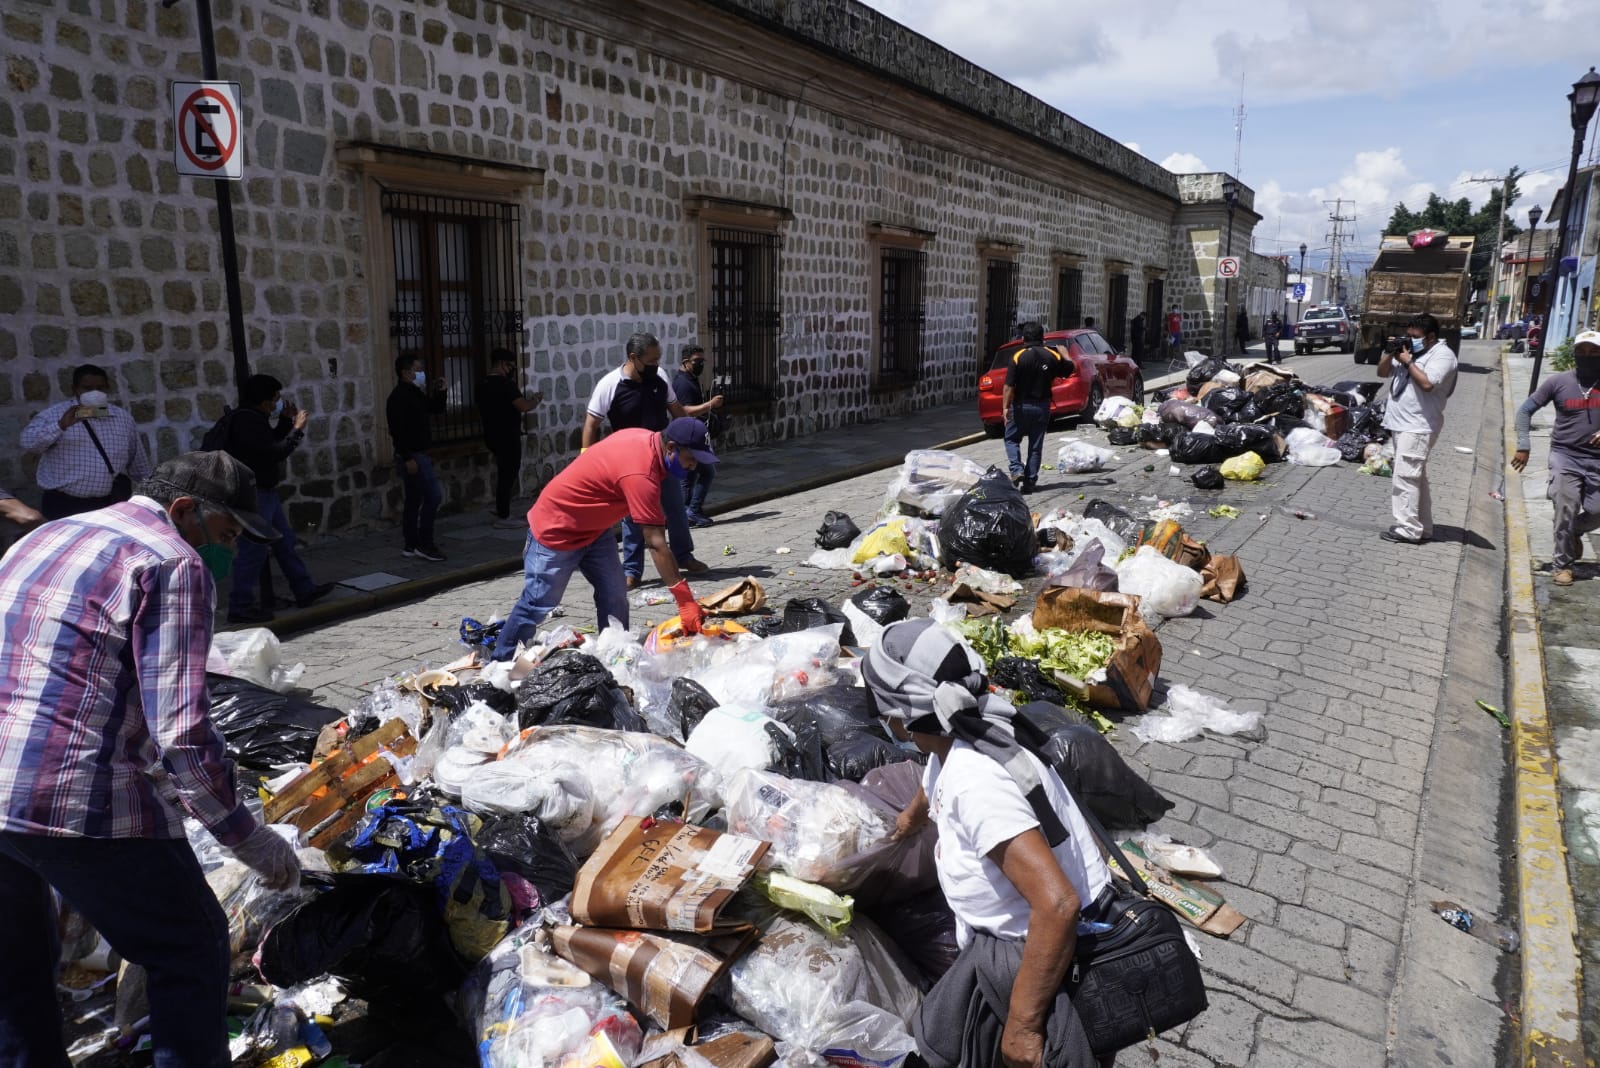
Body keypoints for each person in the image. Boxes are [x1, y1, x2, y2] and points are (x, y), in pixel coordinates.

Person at [0, 451, 301, 1067]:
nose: (229, 550)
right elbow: (183, 734)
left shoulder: (50, 532)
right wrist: (248, 838)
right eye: (227, 534)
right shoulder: (172, 562)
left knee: (16, 960)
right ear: (184, 511)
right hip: (71, 794)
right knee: (189, 947)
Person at [862, 620, 1118, 1068]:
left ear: (901, 716)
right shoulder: (969, 732)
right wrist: (907, 823)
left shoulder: (975, 780)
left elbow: (1057, 905)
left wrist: (1023, 1026)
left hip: (1039, 957)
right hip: (1027, 940)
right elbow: (932, 785)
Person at [492, 418, 717, 660]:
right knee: (538, 603)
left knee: (614, 594)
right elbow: (655, 542)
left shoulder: (645, 438)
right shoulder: (641, 471)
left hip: (595, 530)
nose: (694, 466)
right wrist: (684, 601)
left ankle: (615, 655)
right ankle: (499, 665)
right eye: (691, 458)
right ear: (671, 448)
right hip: (557, 529)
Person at [583, 333, 722, 588]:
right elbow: (592, 423)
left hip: (663, 455)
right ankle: (632, 570)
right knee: (632, 516)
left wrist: (692, 437)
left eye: (658, 359)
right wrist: (586, 458)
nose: (656, 365)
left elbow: (676, 410)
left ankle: (684, 556)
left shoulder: (660, 378)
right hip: (628, 463)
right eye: (651, 360)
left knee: (676, 507)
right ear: (634, 358)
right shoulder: (610, 384)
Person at [218, 373, 335, 623]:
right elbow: (273, 453)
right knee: (253, 550)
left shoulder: (252, 419)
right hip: (254, 494)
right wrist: (297, 430)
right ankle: (240, 606)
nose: (278, 403)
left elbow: (267, 443)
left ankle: (304, 589)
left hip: (264, 492)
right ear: (265, 401)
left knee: (284, 542)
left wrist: (283, 423)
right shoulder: (248, 422)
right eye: (276, 399)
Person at [1512, 330, 1600, 586]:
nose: (1587, 356)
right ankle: (1563, 564)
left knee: (1596, 510)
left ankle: (1575, 530)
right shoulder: (1559, 382)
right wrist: (1524, 444)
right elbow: (1526, 410)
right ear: (1574, 353)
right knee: (1565, 507)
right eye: (1582, 351)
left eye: (1594, 351)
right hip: (1566, 456)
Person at [20, 363, 153, 520]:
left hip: (109, 504)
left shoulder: (122, 418)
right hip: (64, 505)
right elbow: (28, 443)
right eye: (87, 388)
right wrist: (60, 426)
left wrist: (155, 495)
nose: (95, 393)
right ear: (75, 389)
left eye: (100, 388)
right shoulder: (54, 416)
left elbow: (139, 465)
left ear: (107, 388)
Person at [1378, 313, 1459, 545]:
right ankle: (1423, 527)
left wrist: (1407, 361)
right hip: (1401, 424)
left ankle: (1408, 529)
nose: (1410, 339)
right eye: (1408, 335)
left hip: (1418, 426)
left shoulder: (1443, 355)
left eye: (1415, 336)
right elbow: (1382, 373)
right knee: (1415, 478)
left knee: (1405, 477)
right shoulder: (1407, 352)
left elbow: (1427, 383)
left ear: (1431, 336)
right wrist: (1389, 351)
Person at [386, 356, 450, 562]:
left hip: (419, 453)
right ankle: (425, 543)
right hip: (412, 455)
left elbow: (435, 409)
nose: (420, 373)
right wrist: (407, 457)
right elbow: (397, 430)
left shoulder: (416, 394)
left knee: (414, 499)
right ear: (405, 372)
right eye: (417, 369)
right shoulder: (398, 397)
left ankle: (411, 543)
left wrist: (441, 391)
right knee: (433, 495)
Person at [477, 348, 543, 527]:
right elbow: (522, 406)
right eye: (510, 366)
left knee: (503, 471)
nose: (511, 369)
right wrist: (536, 400)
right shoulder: (506, 385)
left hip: (491, 434)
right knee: (509, 473)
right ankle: (504, 516)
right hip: (507, 434)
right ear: (501, 364)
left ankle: (501, 508)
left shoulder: (481, 383)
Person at [1003, 322, 1071, 494]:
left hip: (1020, 406)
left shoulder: (1018, 356)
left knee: (1011, 439)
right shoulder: (1052, 356)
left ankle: (1016, 469)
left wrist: (1005, 407)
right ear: (1042, 337)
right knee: (1035, 445)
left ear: (1023, 338)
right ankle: (1030, 481)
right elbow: (1070, 369)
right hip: (1042, 406)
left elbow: (1009, 386)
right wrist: (1065, 355)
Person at [671, 345, 724, 527]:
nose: (700, 364)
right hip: (688, 437)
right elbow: (684, 411)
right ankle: (689, 511)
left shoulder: (691, 379)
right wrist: (709, 405)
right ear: (686, 362)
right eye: (697, 361)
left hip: (694, 435)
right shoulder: (683, 384)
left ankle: (690, 511)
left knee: (694, 474)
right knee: (697, 474)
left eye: (702, 361)